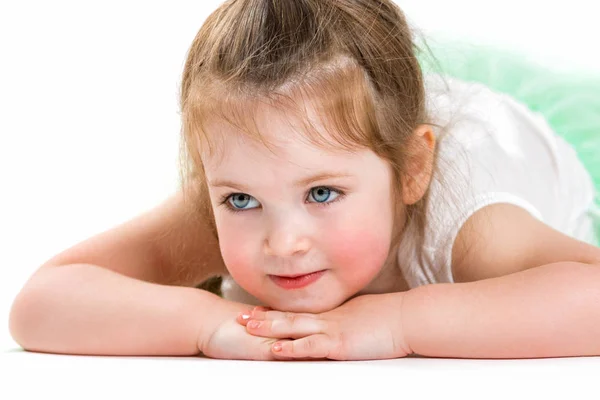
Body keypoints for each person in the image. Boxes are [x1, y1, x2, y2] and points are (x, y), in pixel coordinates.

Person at [9, 0, 600, 361]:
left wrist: (399, 322)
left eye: (322, 194)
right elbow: (41, 303)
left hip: (535, 132)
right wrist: (207, 325)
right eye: (240, 199)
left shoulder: (469, 223)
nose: (282, 243)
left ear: (412, 171)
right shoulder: (260, 175)